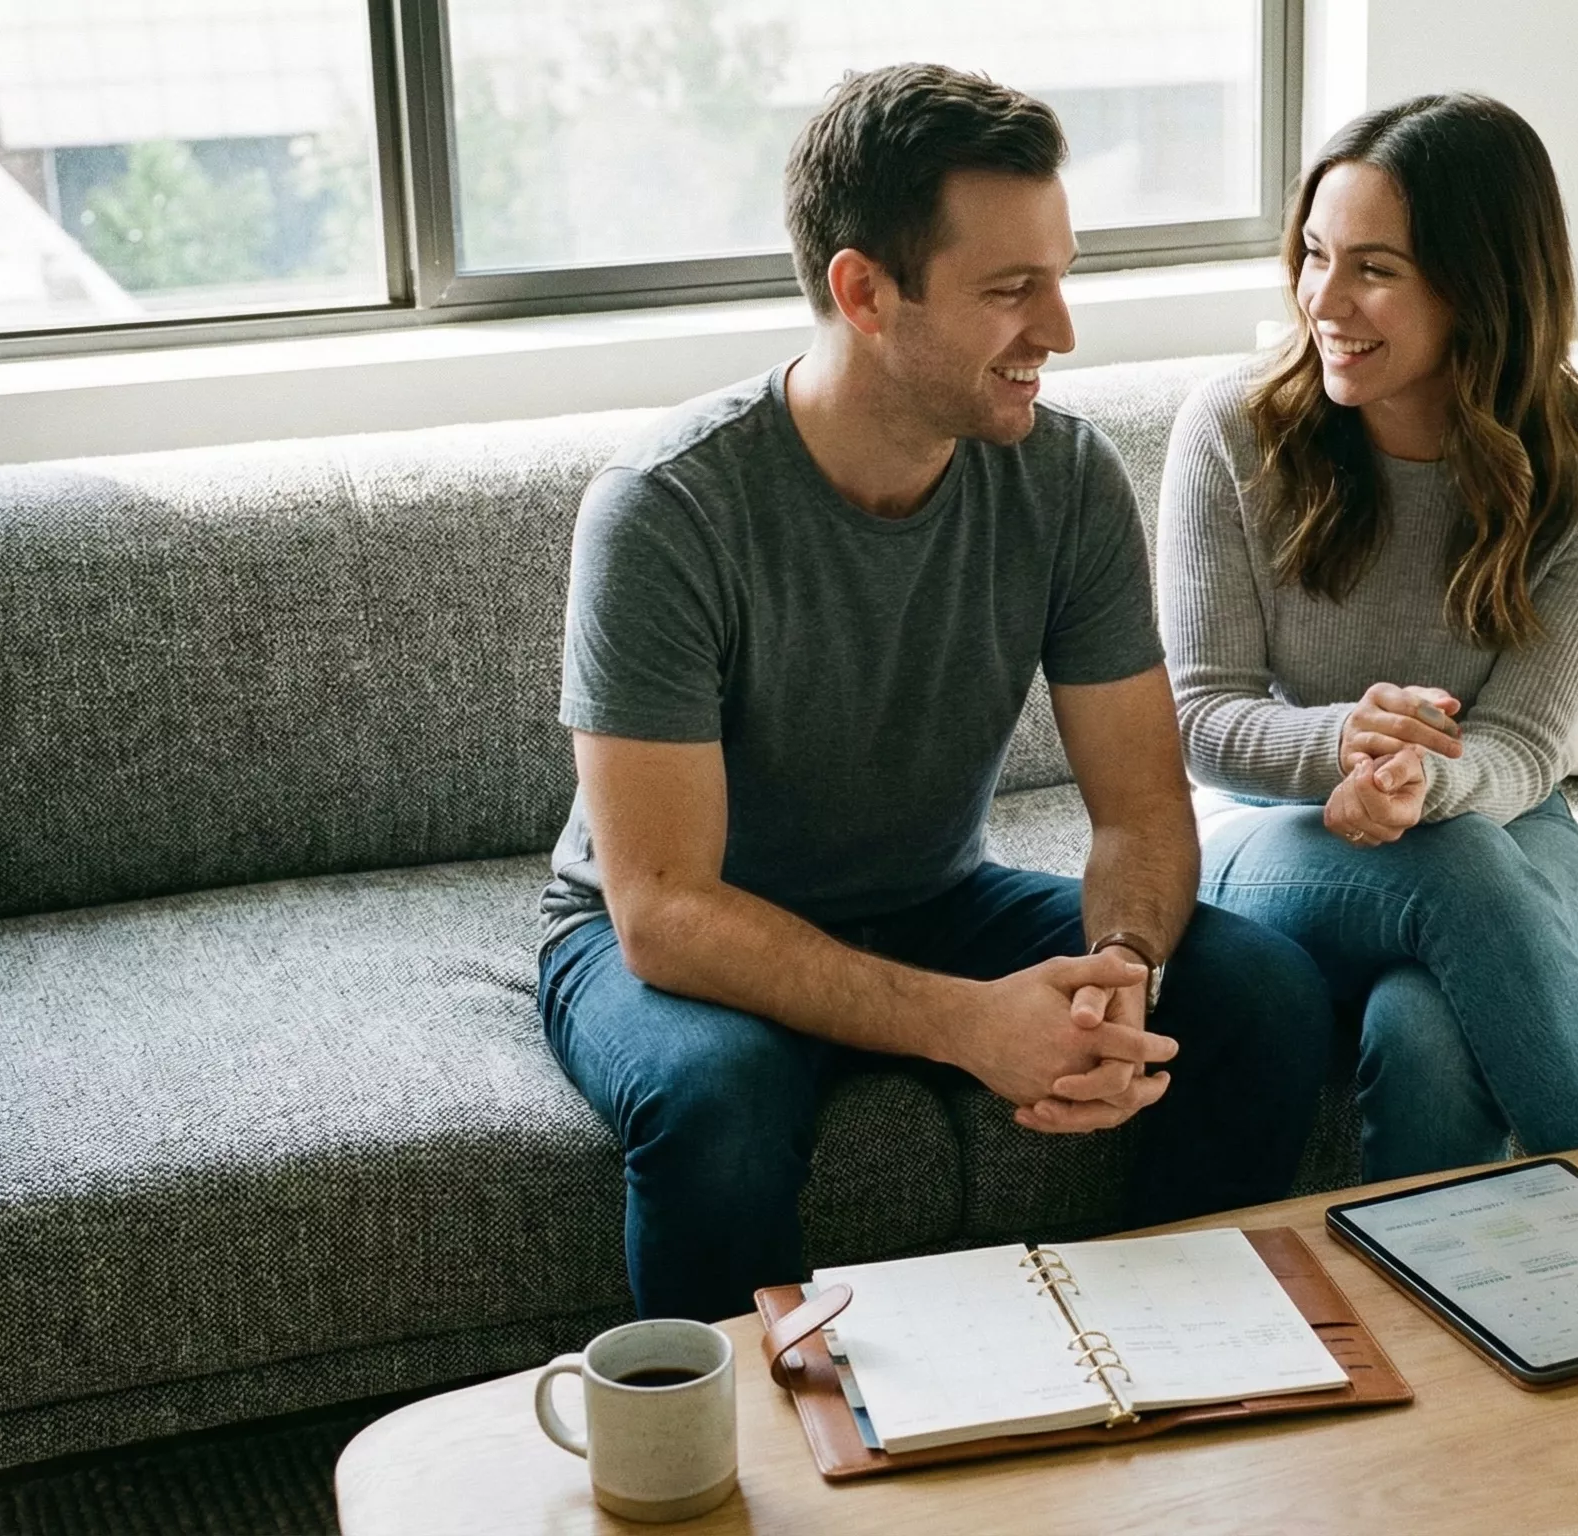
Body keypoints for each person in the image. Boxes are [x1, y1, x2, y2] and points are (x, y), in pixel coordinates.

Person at [537, 63, 1330, 1322]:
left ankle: (1162, 1358)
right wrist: (966, 1024)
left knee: (1264, 998)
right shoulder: (667, 511)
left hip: (928, 899)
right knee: (717, 1106)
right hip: (671, 940)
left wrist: (1122, 967)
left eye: (1061, 277)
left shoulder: (1063, 479)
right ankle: (740, 1487)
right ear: (863, 291)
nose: (1060, 332)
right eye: (1010, 291)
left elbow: (1136, 810)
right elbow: (664, 911)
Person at [1157, 93, 1578, 1182]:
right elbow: (1198, 719)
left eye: (1372, 269)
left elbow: (1524, 743)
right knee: (1463, 873)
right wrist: (1343, 743)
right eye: (1311, 255)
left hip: (1506, 815)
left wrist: (1414, 789)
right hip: (1264, 825)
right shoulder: (1233, 431)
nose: (1322, 301)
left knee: (1428, 1038)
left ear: (1479, 284)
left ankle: (1439, 1342)